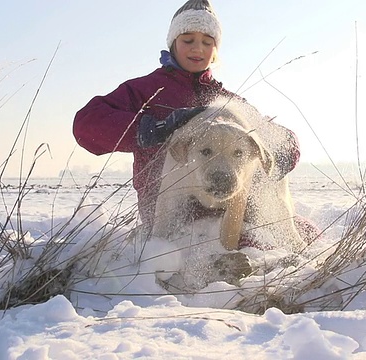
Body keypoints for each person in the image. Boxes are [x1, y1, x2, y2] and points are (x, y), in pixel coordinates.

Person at [73, 0, 317, 247]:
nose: (197, 49)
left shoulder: (229, 102)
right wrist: (154, 128)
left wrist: (284, 149)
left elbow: (274, 134)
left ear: (216, 49)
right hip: (170, 214)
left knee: (307, 233)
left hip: (230, 208)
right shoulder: (144, 91)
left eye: (207, 41)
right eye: (188, 40)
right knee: (234, 249)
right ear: (173, 43)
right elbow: (85, 126)